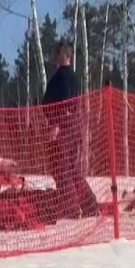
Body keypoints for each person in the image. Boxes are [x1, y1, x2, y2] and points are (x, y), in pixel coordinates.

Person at [41, 42, 98, 219]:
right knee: (72, 169)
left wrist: (56, 125)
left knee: (61, 168)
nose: (54, 56)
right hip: (73, 125)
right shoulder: (73, 76)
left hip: (63, 127)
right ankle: (90, 205)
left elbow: (64, 103)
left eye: (57, 53)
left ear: (64, 56)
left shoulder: (62, 78)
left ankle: (72, 208)